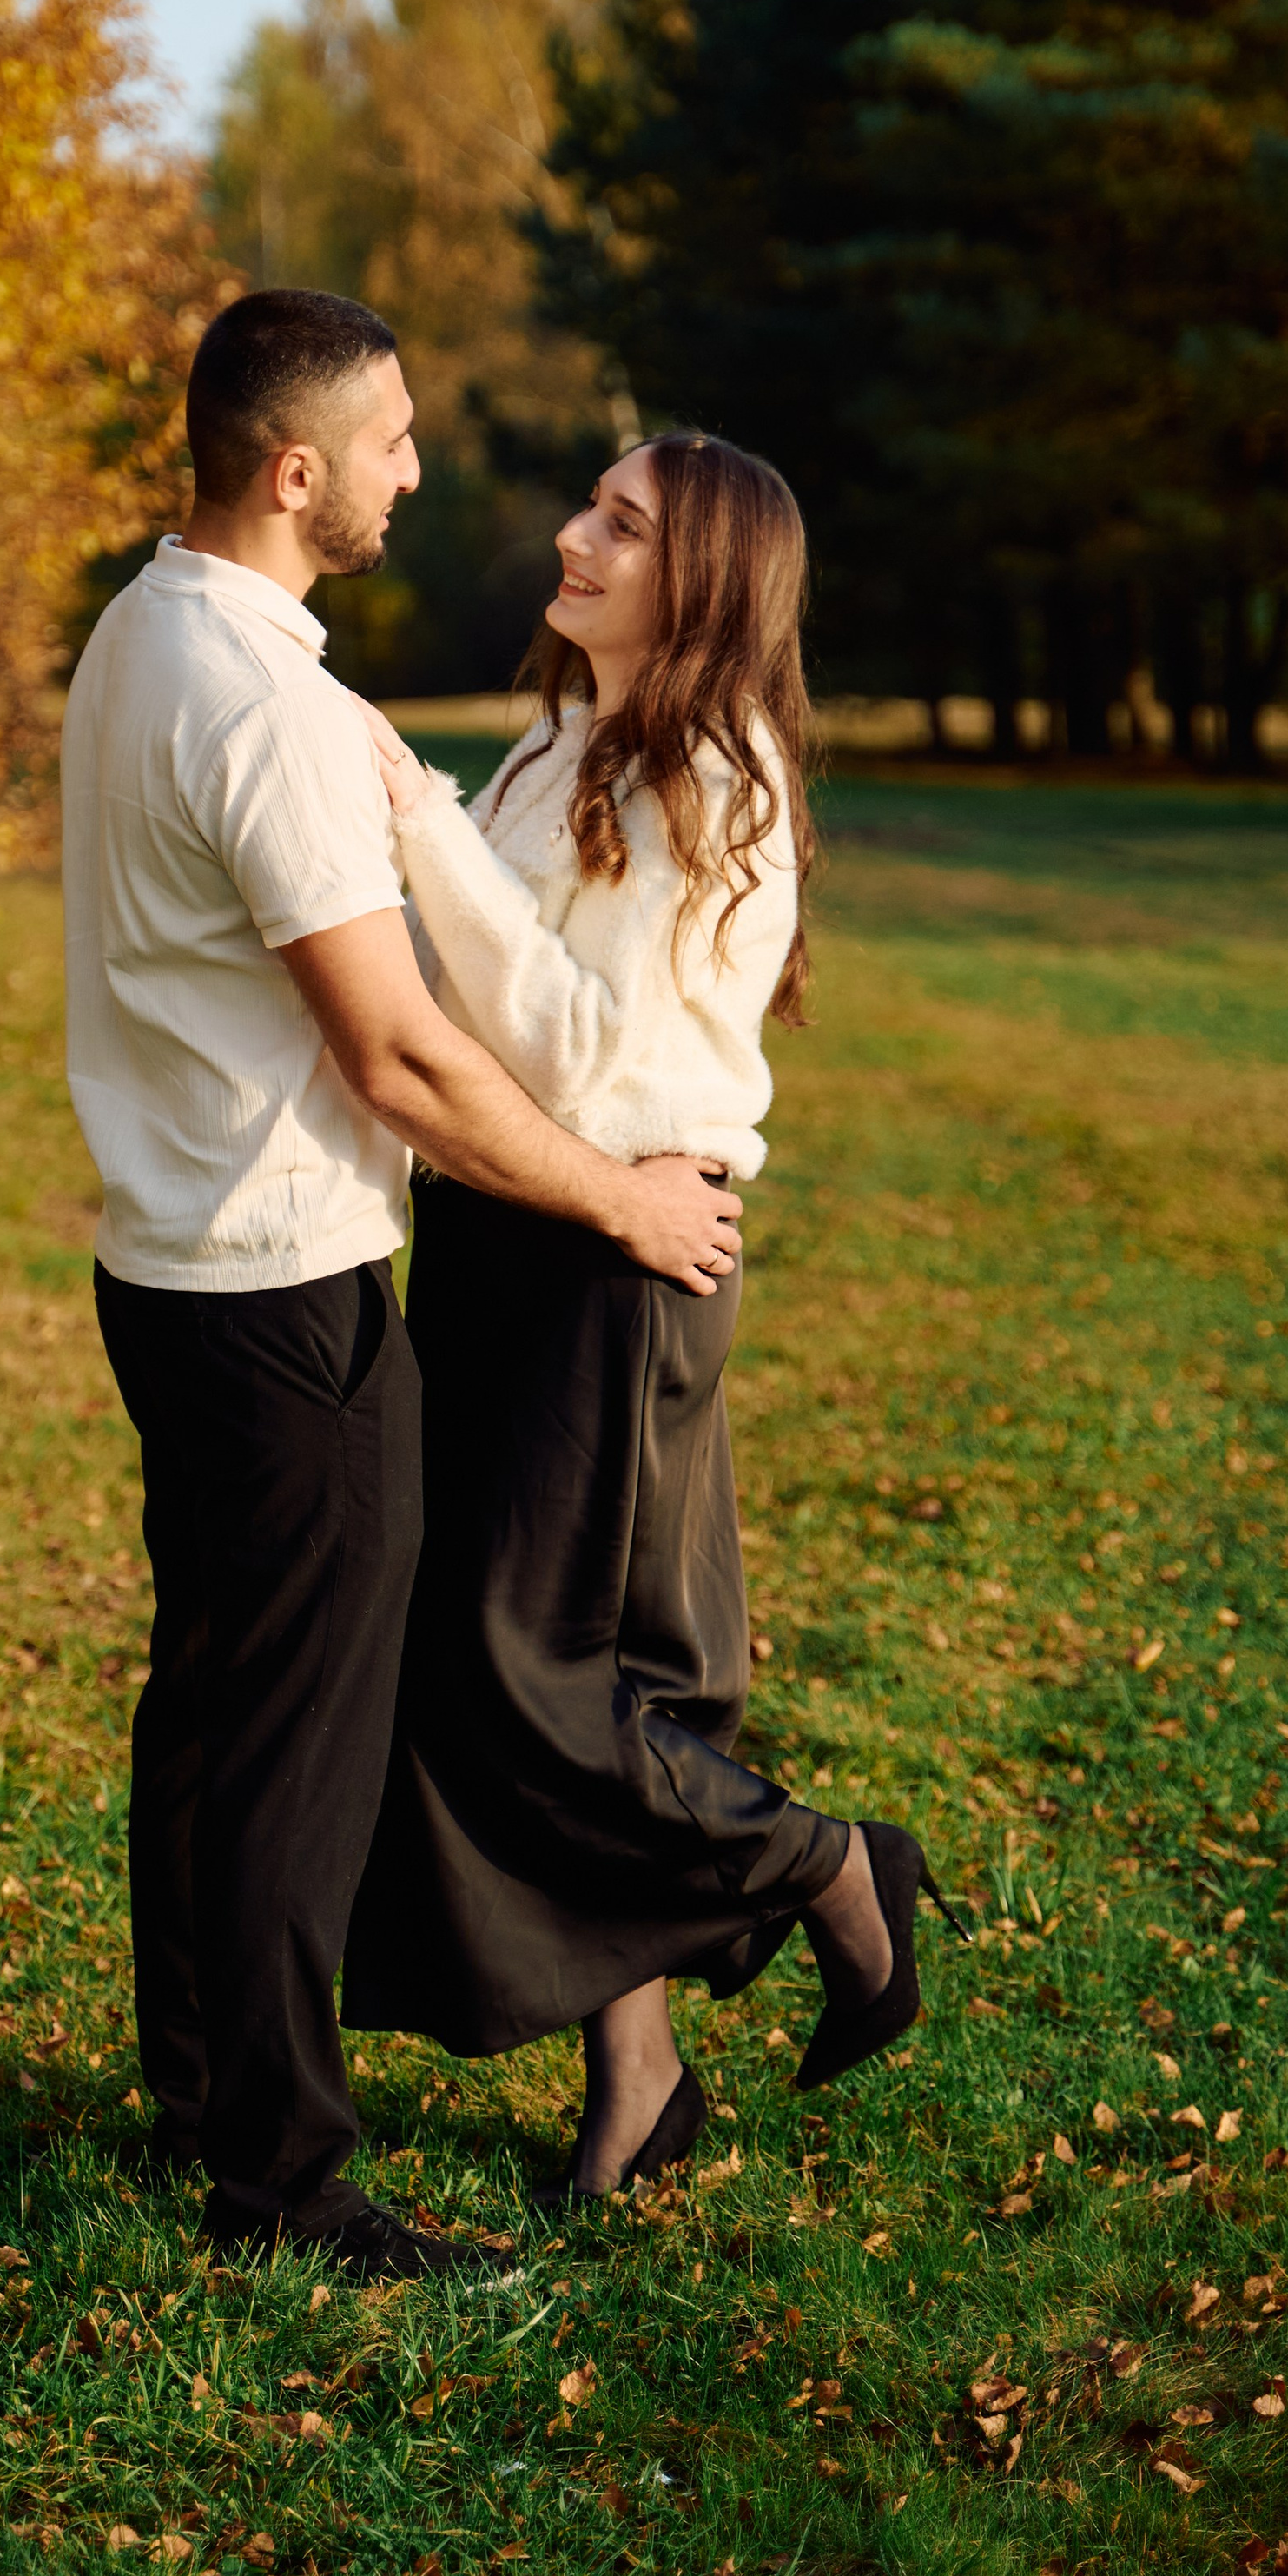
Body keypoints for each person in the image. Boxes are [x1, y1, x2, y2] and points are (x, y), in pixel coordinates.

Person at [61, 290, 743, 2281]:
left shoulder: (145, 627)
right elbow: (401, 1057)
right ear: (295, 473)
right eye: (394, 441)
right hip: (280, 1287)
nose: (419, 472)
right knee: (288, 1745)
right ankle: (278, 2181)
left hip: (168, 1262)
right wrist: (614, 1200)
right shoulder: (261, 705)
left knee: (207, 1709)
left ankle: (201, 2087)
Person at [342, 432, 966, 2198]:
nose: (572, 533)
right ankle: (639, 2086)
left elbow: (564, 1045)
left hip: (616, 1259)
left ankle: (827, 1868)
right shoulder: (562, 743)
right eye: (588, 504)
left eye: (621, 523)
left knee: (521, 1673)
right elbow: (469, 986)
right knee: (537, 1668)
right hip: (503, 1231)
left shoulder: (705, 766)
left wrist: (405, 815)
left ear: (699, 579)